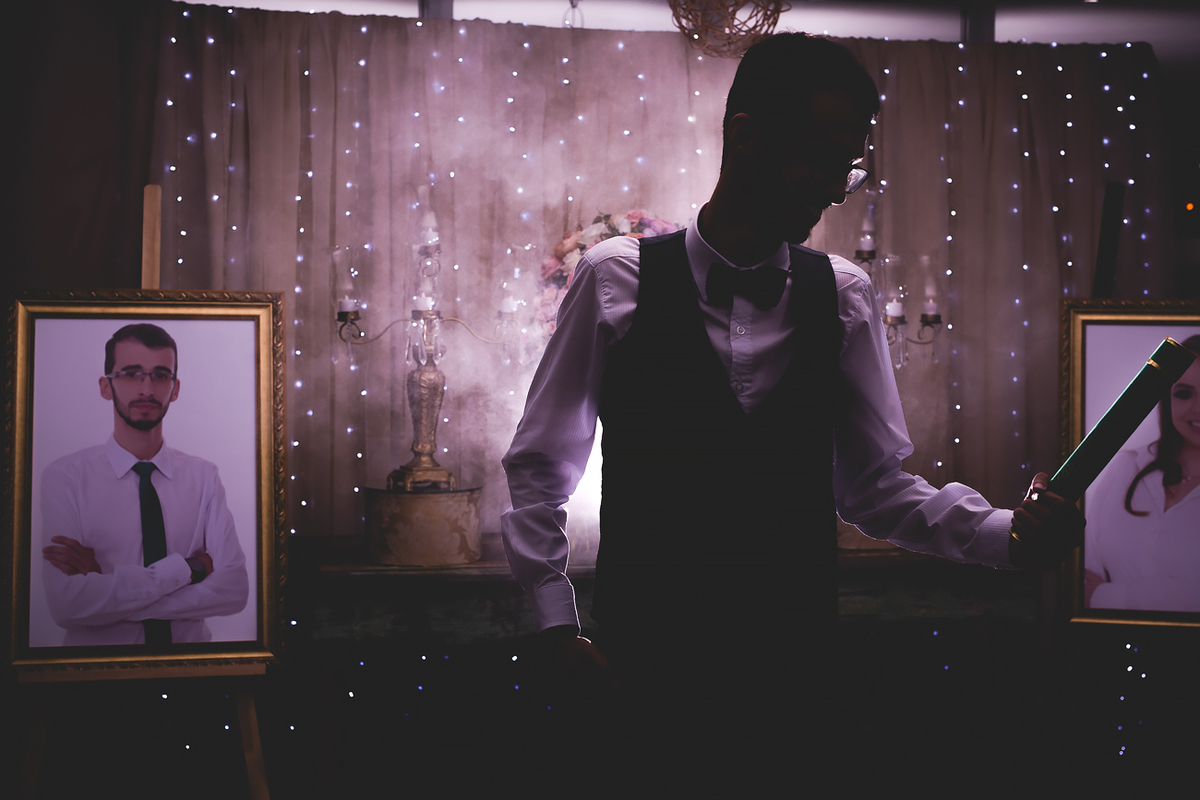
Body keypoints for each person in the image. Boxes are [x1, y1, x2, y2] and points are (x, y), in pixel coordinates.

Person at [499, 33, 1082, 753]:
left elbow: (874, 489)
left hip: (796, 684)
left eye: (849, 168)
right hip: (638, 678)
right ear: (746, 138)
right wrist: (556, 628)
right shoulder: (615, 277)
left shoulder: (844, 295)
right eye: (825, 159)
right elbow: (540, 469)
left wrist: (1005, 533)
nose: (838, 188)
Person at [40, 323, 249, 646]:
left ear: (175, 389)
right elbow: (67, 605)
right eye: (131, 374)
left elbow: (234, 590)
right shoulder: (65, 478)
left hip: (191, 670)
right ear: (106, 386)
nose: (147, 389)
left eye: (160, 375)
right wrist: (187, 570)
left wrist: (108, 589)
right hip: (96, 672)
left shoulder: (204, 477)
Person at [1085, 334, 1200, 612]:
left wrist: (1105, 595)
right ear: (1167, 398)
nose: (1198, 408)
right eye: (1184, 393)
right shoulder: (1126, 465)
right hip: (1102, 636)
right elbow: (1082, 565)